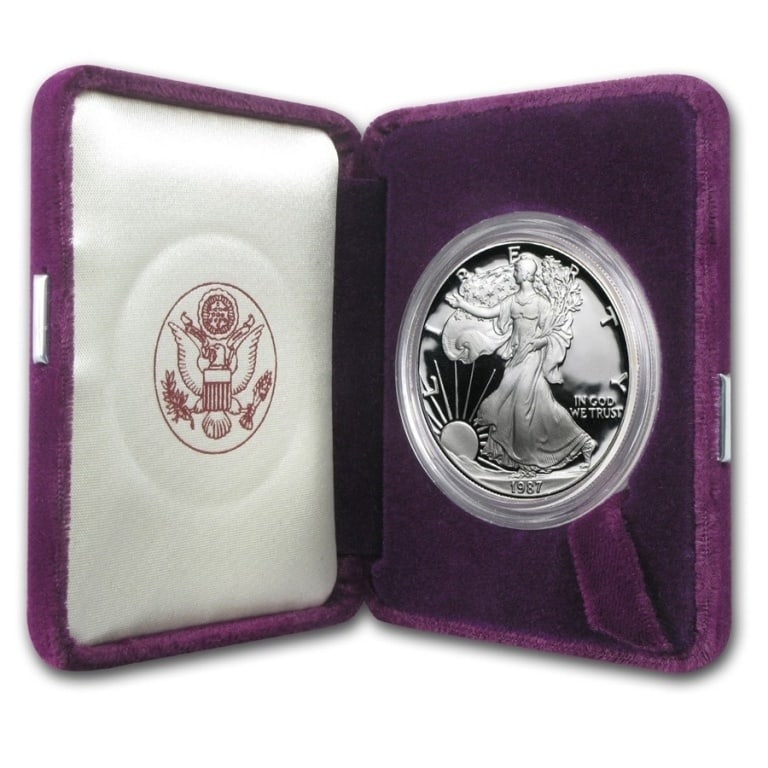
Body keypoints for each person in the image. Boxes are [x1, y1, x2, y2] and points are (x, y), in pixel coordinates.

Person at [446, 254, 595, 473]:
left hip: (532, 357)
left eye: (516, 270)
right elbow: (488, 313)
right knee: (541, 406)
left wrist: (539, 342)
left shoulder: (541, 303)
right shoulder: (512, 301)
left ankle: (527, 459)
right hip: (516, 357)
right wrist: (462, 304)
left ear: (524, 275)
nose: (513, 273)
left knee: (520, 406)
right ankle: (582, 442)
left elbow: (553, 332)